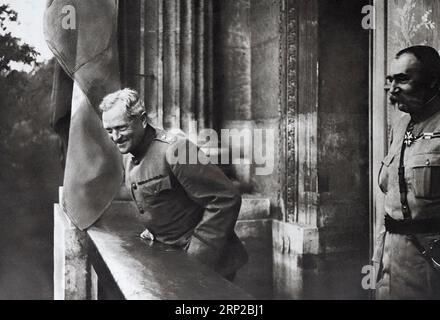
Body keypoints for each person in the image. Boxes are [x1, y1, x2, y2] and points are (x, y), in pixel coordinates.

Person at [99, 88, 248, 281]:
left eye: (121, 128)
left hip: (210, 265)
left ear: (142, 120)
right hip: (172, 261)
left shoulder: (176, 149)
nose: (115, 137)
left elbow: (226, 198)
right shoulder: (129, 156)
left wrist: (196, 257)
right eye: (109, 130)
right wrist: (156, 229)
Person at [374, 45, 440, 299]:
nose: (393, 89)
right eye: (391, 80)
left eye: (403, 79)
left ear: (432, 81)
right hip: (389, 263)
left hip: (429, 271)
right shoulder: (401, 125)